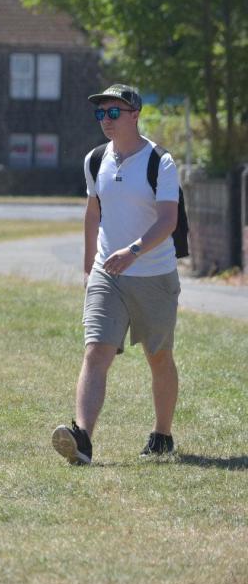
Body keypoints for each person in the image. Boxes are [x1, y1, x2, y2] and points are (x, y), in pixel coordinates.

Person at [52, 84, 181, 465]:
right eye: (100, 114)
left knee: (158, 356)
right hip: (107, 273)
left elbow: (168, 220)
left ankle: (162, 434)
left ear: (135, 114)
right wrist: (89, 266)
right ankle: (83, 440)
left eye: (114, 113)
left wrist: (136, 250)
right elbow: (93, 212)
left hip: (154, 274)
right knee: (95, 352)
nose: (106, 121)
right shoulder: (95, 159)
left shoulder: (160, 161)